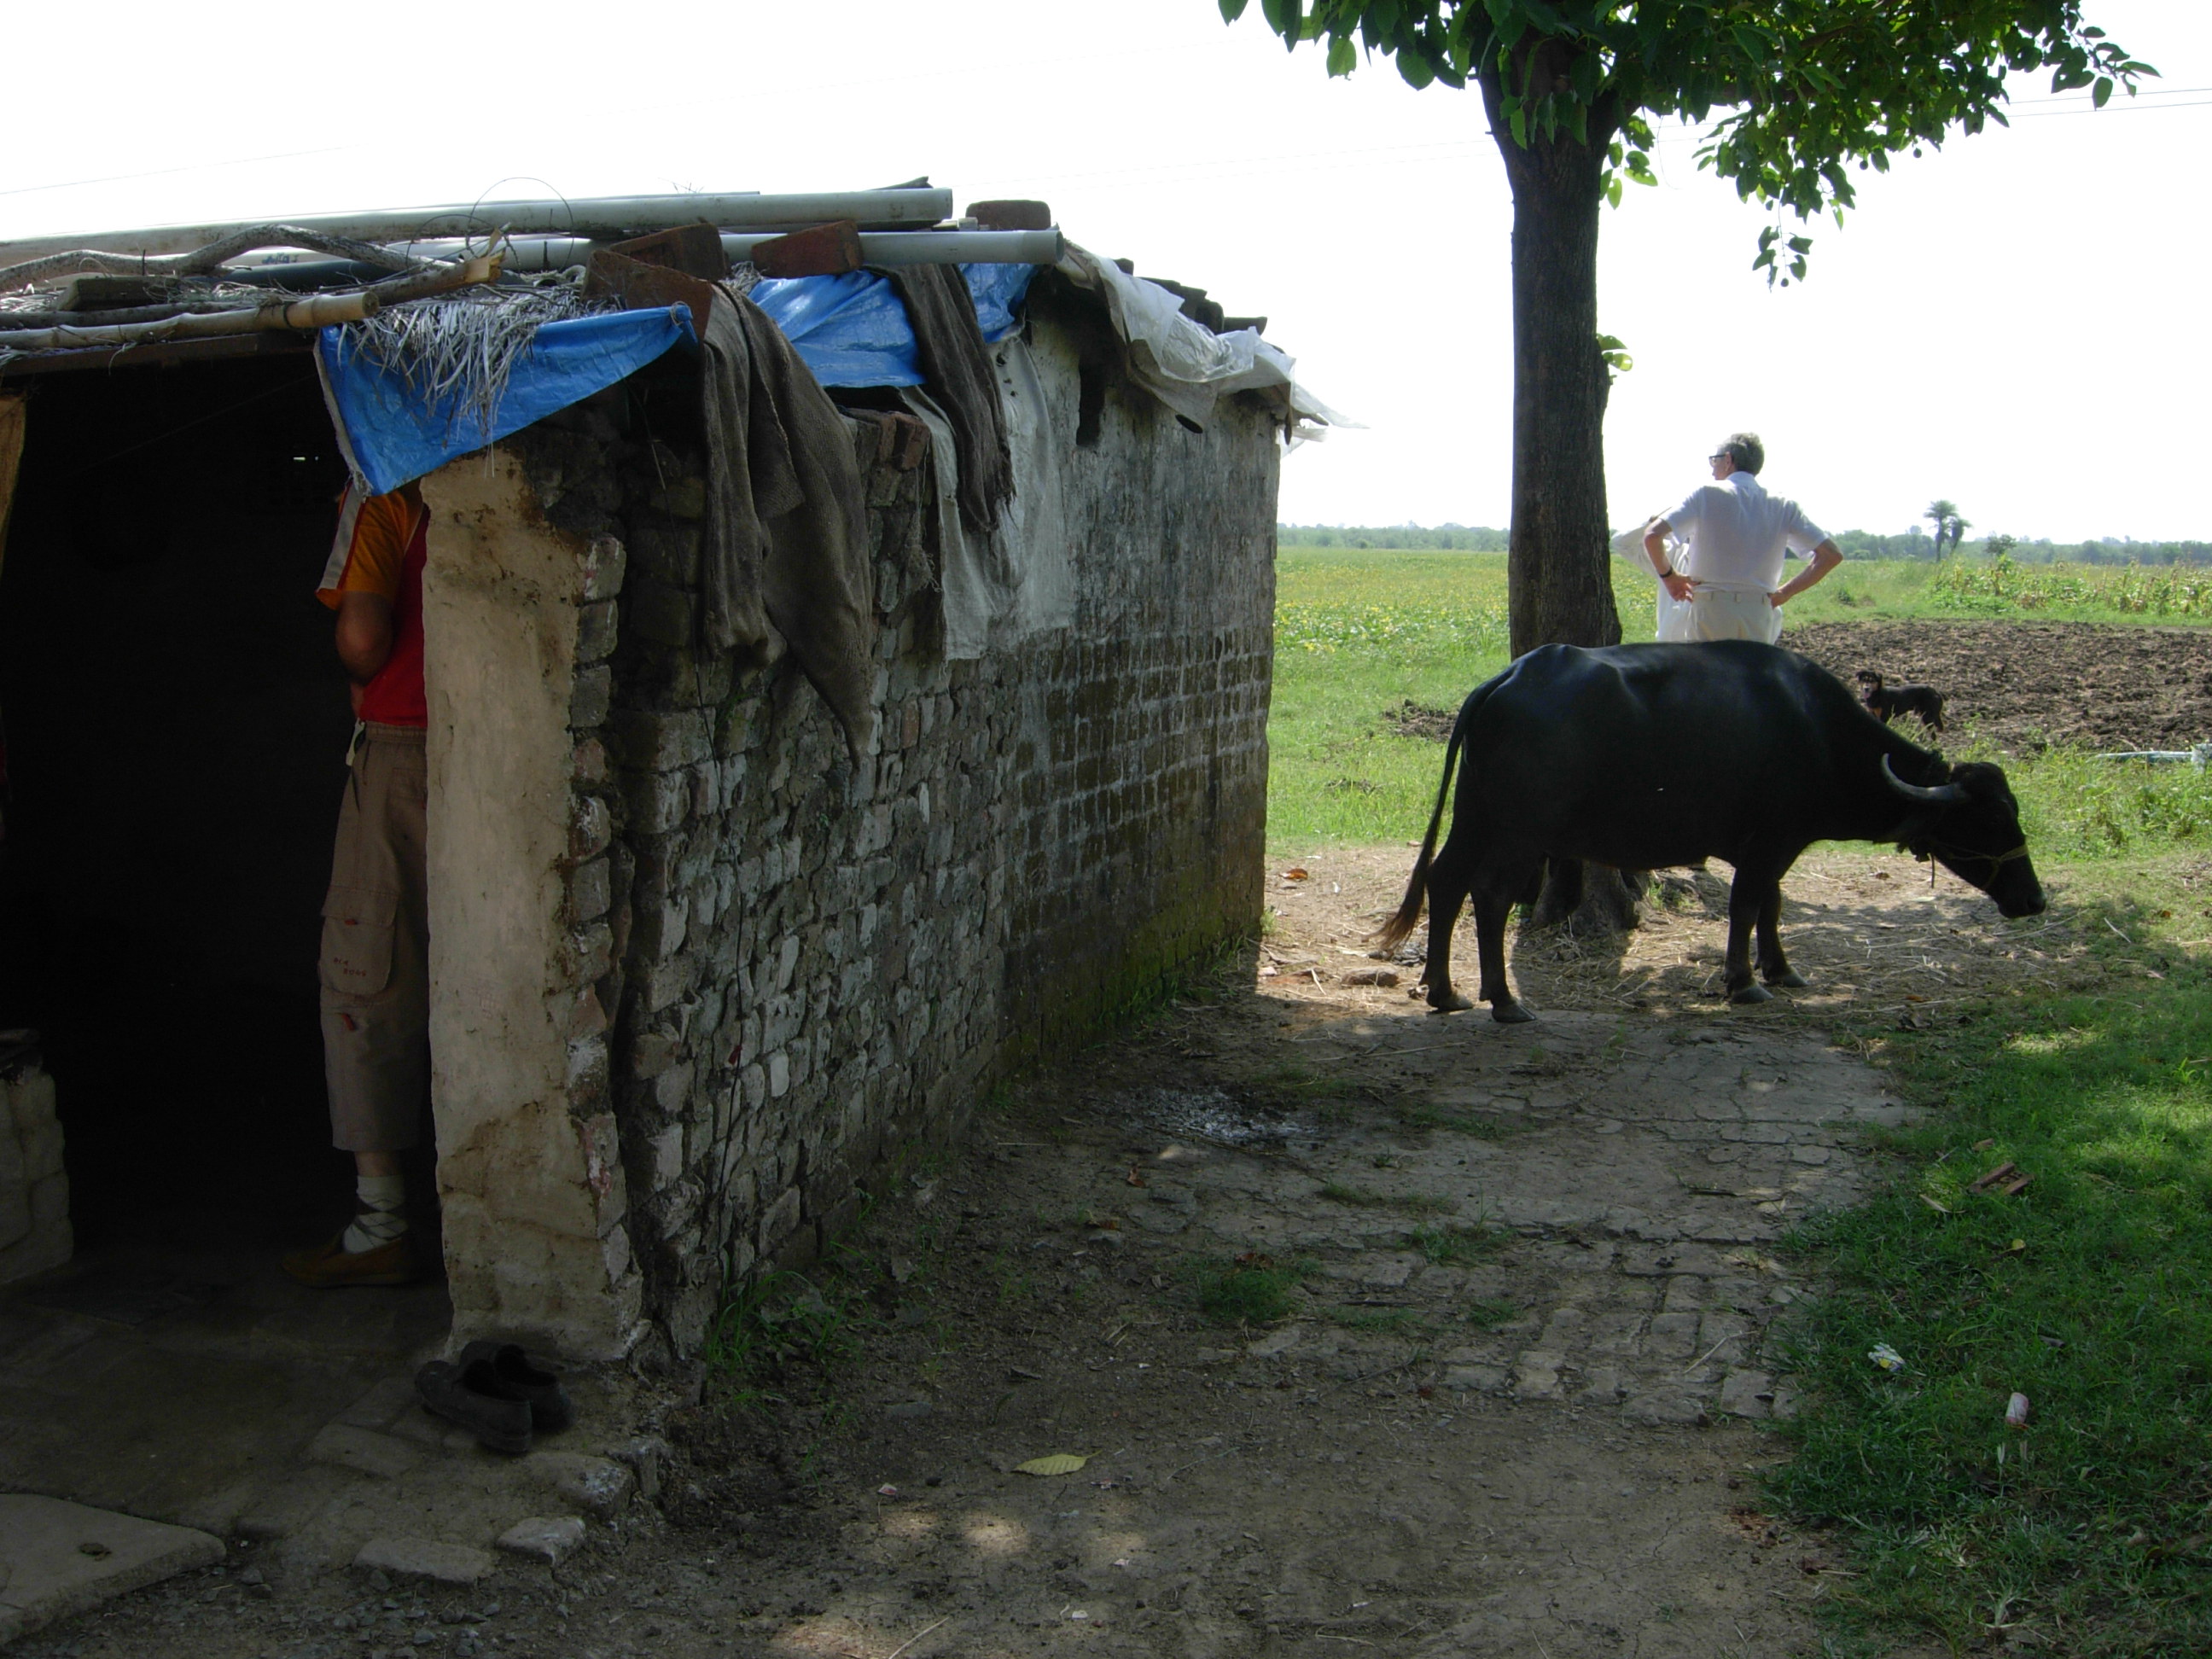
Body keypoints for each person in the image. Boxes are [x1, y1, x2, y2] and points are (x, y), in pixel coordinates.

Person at [282, 480, 432, 1288]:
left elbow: (363, 635)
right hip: (495, 748)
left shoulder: (386, 492)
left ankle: (382, 1224)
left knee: (364, 976)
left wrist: (359, 676)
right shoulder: (499, 457)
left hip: (403, 751)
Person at [1641, 433, 1842, 643]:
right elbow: (1831, 555)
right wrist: (1785, 593)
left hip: (1710, 610)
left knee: (1710, 666)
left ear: (1728, 460)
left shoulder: (1705, 495)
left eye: (1715, 461)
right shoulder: (1783, 505)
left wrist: (1670, 578)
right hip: (1759, 610)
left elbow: (1652, 535)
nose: (1712, 470)